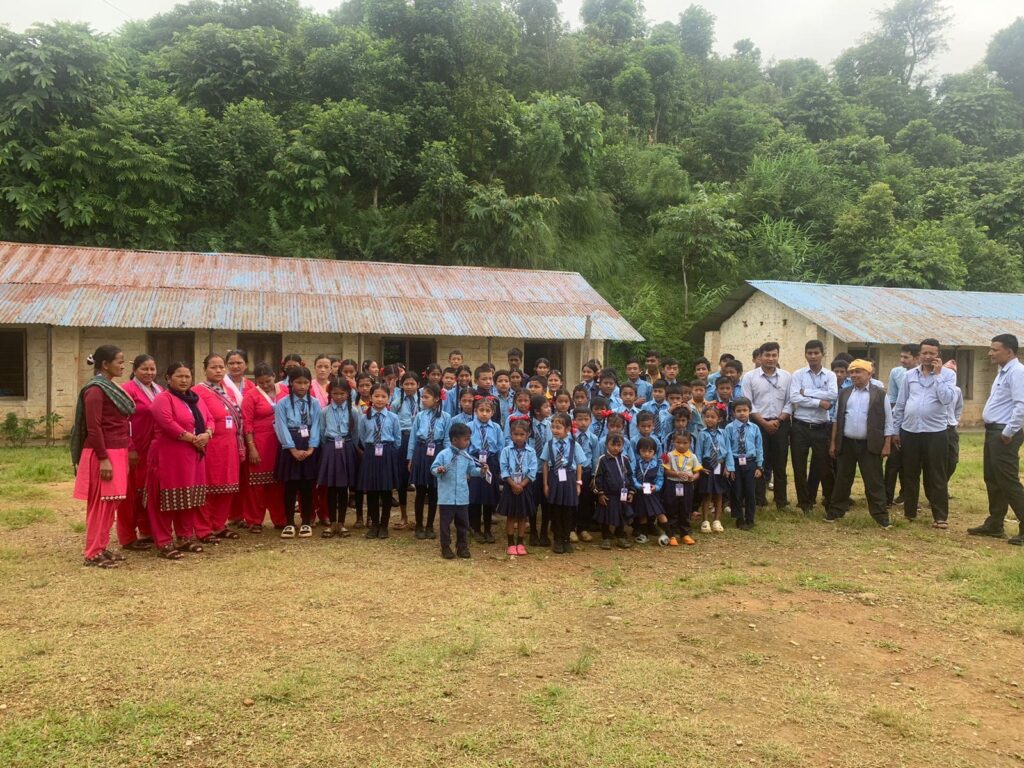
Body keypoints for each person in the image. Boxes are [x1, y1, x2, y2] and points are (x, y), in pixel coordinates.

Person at [70, 345, 136, 567]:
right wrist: (103, 458)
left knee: (111, 503)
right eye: (119, 361)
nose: (122, 365)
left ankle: (102, 546)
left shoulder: (110, 387)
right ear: (105, 364)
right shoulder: (95, 390)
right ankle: (92, 552)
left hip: (117, 450)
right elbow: (94, 427)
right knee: (101, 504)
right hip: (104, 453)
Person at [146, 361, 214, 559]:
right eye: (179, 376)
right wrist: (194, 438)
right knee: (166, 499)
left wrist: (207, 434)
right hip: (169, 456)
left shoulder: (196, 399)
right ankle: (164, 542)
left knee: (189, 497)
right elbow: (167, 423)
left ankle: (184, 537)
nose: (184, 380)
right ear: (168, 378)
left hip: (194, 455)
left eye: (187, 376)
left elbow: (209, 418)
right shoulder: (162, 399)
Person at [892, 338, 956, 529]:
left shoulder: (947, 375)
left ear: (938, 356)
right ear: (919, 355)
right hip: (910, 431)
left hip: (935, 432)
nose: (928, 357)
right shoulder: (910, 375)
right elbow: (901, 403)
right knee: (910, 473)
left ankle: (940, 517)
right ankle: (910, 512)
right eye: (925, 353)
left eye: (932, 354)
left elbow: (947, 400)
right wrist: (896, 430)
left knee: (936, 474)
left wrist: (937, 376)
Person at [969, 334, 1024, 545]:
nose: (990, 353)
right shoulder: (1003, 371)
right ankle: (995, 524)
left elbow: (1021, 405)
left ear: (1009, 351)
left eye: (994, 349)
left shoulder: (1017, 372)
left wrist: (1009, 432)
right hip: (994, 431)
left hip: (1003, 433)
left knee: (1008, 481)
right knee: (992, 478)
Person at [827, 359, 895, 527]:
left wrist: (887, 444)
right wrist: (833, 443)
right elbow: (836, 419)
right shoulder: (844, 393)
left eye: (859, 372)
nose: (854, 375)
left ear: (869, 374)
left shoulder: (880, 394)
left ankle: (880, 516)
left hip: (870, 445)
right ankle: (836, 511)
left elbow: (888, 422)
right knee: (843, 479)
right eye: (852, 372)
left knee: (874, 481)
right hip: (847, 443)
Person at [194, 354, 244, 544]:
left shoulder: (228, 390)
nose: (218, 370)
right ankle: (203, 529)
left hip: (230, 445)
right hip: (210, 445)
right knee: (208, 487)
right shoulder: (198, 391)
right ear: (205, 369)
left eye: (221, 367)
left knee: (227, 487)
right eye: (213, 367)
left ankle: (219, 525)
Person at [789, 340, 838, 515]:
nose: (813, 356)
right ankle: (804, 503)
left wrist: (807, 393)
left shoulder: (830, 375)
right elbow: (795, 397)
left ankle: (830, 502)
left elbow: (833, 395)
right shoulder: (798, 374)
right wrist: (819, 402)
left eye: (816, 353)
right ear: (805, 354)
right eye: (809, 353)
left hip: (820, 427)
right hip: (800, 426)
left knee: (824, 466)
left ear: (822, 354)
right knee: (799, 467)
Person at [118, 354, 161, 551]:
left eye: (152, 369)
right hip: (135, 449)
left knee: (148, 491)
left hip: (154, 450)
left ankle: (146, 531)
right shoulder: (127, 390)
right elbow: (120, 422)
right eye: (145, 369)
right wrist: (130, 447)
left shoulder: (158, 389)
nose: (149, 373)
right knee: (131, 494)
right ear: (134, 370)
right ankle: (127, 536)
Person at [274, 367, 322, 539]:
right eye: (298, 382)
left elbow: (316, 425)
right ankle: (289, 522)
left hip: (309, 444)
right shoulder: (283, 403)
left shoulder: (315, 403)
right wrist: (292, 448)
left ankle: (306, 521)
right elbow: (280, 426)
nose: (302, 386)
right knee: (290, 487)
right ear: (290, 383)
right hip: (290, 446)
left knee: (307, 487)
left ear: (310, 384)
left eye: (305, 382)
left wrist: (311, 447)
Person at [743, 342, 791, 509]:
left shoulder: (786, 376)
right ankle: (759, 499)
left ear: (778, 356)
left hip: (781, 424)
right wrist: (764, 423)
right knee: (759, 462)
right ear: (760, 357)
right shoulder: (749, 377)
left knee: (780, 463)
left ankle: (781, 500)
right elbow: (748, 403)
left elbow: (790, 402)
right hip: (757, 424)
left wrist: (779, 420)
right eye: (767, 355)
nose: (771, 359)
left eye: (774, 355)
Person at [431, 423, 483, 559]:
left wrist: (481, 471)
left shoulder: (466, 456)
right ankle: (446, 547)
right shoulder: (443, 454)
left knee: (463, 524)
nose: (468, 442)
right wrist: (439, 470)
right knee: (445, 524)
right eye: (466, 439)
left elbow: (471, 470)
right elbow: (433, 469)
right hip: (446, 498)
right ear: (455, 440)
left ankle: (462, 546)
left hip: (462, 497)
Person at [241, 363, 283, 533]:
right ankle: (254, 520)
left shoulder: (284, 392)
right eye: (261, 382)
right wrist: (251, 448)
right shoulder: (251, 396)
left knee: (278, 484)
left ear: (274, 377)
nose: (265, 385)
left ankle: (280, 519)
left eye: (268, 381)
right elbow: (247, 423)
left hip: (280, 442)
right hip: (259, 442)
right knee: (256, 484)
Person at [357, 382, 401, 539]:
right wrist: (371, 447)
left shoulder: (393, 417)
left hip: (387, 453)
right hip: (370, 453)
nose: (380, 399)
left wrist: (390, 452)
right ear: (370, 398)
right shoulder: (364, 418)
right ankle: (374, 524)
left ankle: (384, 525)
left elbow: (397, 439)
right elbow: (361, 437)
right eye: (377, 396)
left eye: (383, 396)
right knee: (372, 491)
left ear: (388, 399)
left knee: (386, 491)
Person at [318, 378, 359, 539]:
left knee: (343, 488)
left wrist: (351, 448)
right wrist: (327, 449)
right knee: (331, 488)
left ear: (348, 394)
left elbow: (356, 434)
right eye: (335, 393)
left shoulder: (354, 411)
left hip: (347, 447)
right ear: (330, 394)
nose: (339, 396)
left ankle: (341, 523)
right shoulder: (325, 411)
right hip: (329, 448)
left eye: (342, 393)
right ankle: (332, 522)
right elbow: (322, 432)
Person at [408, 383, 450, 540]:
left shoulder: (446, 417)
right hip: (421, 451)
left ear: (437, 399)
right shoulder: (420, 416)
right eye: (422, 397)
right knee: (420, 491)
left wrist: (445, 460)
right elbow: (413, 438)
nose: (423, 400)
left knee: (433, 491)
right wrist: (410, 457)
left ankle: (430, 525)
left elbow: (447, 440)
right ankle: (418, 525)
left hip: (437, 454)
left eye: (426, 397)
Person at [541, 412, 582, 554]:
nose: (555, 430)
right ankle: (557, 539)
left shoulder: (574, 445)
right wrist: (545, 484)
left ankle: (566, 539)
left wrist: (578, 483)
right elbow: (545, 464)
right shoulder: (549, 444)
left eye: (558, 427)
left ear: (568, 429)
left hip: (569, 479)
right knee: (556, 509)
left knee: (568, 510)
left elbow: (579, 465)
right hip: (554, 478)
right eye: (553, 427)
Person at [886, 344, 920, 506]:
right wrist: (893, 425)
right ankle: (886, 497)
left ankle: (907, 495)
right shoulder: (896, 372)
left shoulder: (924, 375)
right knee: (893, 461)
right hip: (898, 422)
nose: (902, 360)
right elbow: (892, 399)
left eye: (906, 357)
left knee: (911, 464)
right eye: (901, 357)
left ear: (916, 358)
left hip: (915, 425)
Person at [498, 419, 537, 556]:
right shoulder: (506, 451)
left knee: (522, 516)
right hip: (510, 486)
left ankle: (520, 542)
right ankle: (510, 543)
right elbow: (503, 468)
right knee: (510, 516)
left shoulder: (531, 452)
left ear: (528, 434)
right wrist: (513, 484)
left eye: (522, 434)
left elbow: (532, 471)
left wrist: (522, 484)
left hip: (525, 487)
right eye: (515, 434)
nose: (518, 437)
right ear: (511, 434)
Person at [468, 397, 503, 544]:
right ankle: (476, 529)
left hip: (491, 461)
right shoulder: (469, 426)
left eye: (487, 411)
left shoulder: (496, 428)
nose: (484, 414)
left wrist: (501, 469)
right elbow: (465, 448)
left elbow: (501, 448)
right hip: (475, 461)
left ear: (492, 412)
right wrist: (467, 469)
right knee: (475, 497)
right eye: (481, 410)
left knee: (489, 499)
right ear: (475, 411)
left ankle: (488, 529)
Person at [725, 397, 763, 530]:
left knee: (750, 491)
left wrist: (759, 465)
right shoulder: (729, 428)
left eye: (745, 410)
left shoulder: (755, 428)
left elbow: (759, 447)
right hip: (735, 463)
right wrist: (730, 467)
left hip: (750, 462)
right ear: (733, 412)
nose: (742, 413)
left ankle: (750, 518)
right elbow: (728, 449)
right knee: (737, 491)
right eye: (738, 411)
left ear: (750, 411)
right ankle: (739, 518)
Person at [224, 349, 251, 528]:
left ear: (246, 365)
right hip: (228, 435)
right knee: (230, 475)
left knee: (246, 476)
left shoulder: (251, 385)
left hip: (247, 434)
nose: (235, 366)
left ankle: (244, 513)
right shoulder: (220, 385)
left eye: (239, 363)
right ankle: (232, 514)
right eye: (232, 363)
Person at [592, 433, 634, 549]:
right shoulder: (603, 460)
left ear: (623, 446)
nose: (616, 448)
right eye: (612, 445)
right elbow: (597, 478)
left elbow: (629, 475)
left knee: (621, 516)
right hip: (608, 495)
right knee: (606, 517)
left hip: (622, 494)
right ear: (606, 445)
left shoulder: (624, 459)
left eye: (619, 445)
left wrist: (631, 491)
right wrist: (600, 493)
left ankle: (620, 536)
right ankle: (606, 538)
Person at [390, 372, 420, 530]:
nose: (409, 387)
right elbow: (391, 423)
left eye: (412, 384)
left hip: (420, 442)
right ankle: (404, 516)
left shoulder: (423, 401)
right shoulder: (396, 403)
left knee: (420, 480)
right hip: (403, 440)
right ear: (401, 385)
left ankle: (418, 518)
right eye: (406, 384)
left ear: (418, 385)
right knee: (402, 480)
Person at [695, 405, 731, 533]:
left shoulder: (724, 433)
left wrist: (728, 467)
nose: (709, 419)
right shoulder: (702, 434)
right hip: (707, 466)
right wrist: (699, 467)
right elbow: (698, 452)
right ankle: (705, 521)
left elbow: (729, 451)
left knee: (719, 493)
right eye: (707, 417)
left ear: (719, 419)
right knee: (707, 493)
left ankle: (717, 520)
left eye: (713, 417)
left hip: (720, 466)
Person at [662, 431, 700, 546]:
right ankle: (671, 534)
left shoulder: (692, 456)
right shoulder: (669, 455)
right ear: (673, 442)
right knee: (671, 508)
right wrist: (677, 474)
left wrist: (693, 477)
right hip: (672, 484)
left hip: (687, 486)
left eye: (685, 443)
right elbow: (666, 471)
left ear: (690, 443)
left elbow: (697, 471)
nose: (681, 445)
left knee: (685, 508)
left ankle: (685, 534)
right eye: (678, 442)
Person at [631, 436, 667, 545]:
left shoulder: (658, 464)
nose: (647, 454)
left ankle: (668, 533)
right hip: (641, 493)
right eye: (643, 451)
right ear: (638, 451)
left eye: (650, 451)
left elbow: (660, 478)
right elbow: (632, 476)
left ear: (655, 452)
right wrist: (638, 486)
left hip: (652, 493)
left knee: (659, 512)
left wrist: (656, 487)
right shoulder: (636, 463)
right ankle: (644, 535)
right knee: (642, 514)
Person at [943, 359, 964, 481]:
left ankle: (943, 484)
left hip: (950, 429)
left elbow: (958, 408)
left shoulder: (957, 391)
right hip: (937, 429)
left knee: (952, 460)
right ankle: (937, 490)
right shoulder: (936, 387)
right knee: (937, 461)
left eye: (953, 373)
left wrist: (955, 421)